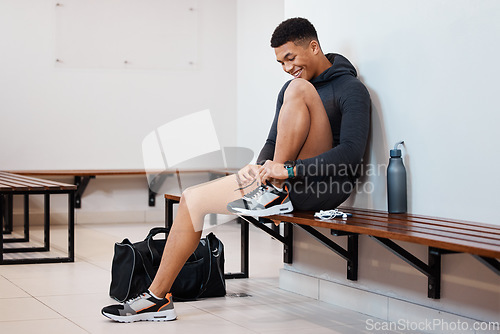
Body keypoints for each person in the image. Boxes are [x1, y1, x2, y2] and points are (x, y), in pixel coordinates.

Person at [101, 17, 370, 323]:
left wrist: (289, 172)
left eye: (290, 58)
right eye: (280, 62)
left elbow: (350, 155)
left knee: (298, 88)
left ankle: (272, 190)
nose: (286, 67)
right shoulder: (290, 88)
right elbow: (273, 142)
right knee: (192, 199)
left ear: (314, 46)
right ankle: (157, 299)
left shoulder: (350, 88)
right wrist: (259, 169)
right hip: (284, 181)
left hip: (322, 185)